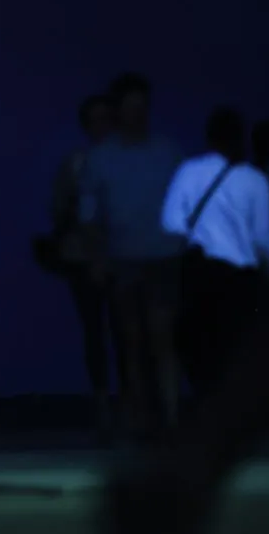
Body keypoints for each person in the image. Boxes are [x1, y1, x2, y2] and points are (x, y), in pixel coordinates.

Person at [102, 0, 269, 534]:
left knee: (176, 350)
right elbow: (265, 234)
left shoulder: (179, 164)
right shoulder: (245, 175)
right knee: (201, 351)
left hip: (185, 265)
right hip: (222, 271)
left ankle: (173, 440)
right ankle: (182, 443)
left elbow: (174, 220)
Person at [79, 73, 183, 440]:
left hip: (165, 255)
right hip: (123, 258)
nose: (138, 114)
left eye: (142, 106)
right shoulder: (101, 158)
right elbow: (89, 214)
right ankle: (142, 418)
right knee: (132, 341)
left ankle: (171, 415)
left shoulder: (167, 151)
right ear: (118, 111)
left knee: (163, 338)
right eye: (131, 107)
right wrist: (96, 257)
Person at [164, 108, 269, 400]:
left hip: (200, 272)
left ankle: (204, 404)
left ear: (209, 137)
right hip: (241, 278)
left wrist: (201, 233)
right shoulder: (254, 179)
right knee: (235, 346)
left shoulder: (189, 171)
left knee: (199, 346)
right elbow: (263, 237)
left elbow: (170, 221)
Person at [51, 94, 124, 440]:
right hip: (84, 257)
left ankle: (129, 404)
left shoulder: (119, 161)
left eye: (106, 119)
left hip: (122, 255)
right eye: (96, 121)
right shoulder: (77, 163)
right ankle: (104, 405)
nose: (102, 127)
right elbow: (58, 210)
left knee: (125, 332)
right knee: (96, 332)